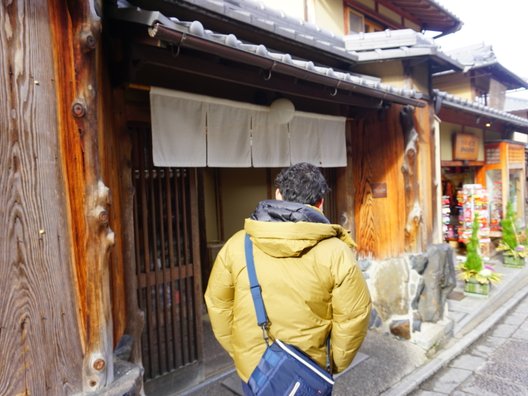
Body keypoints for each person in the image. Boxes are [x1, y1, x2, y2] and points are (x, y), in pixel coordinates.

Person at [204, 162, 371, 394]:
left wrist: (241, 351)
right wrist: (331, 362)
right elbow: (354, 317)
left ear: (278, 194)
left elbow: (217, 304)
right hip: (310, 371)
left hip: (255, 371)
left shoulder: (238, 245)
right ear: (320, 203)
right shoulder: (337, 252)